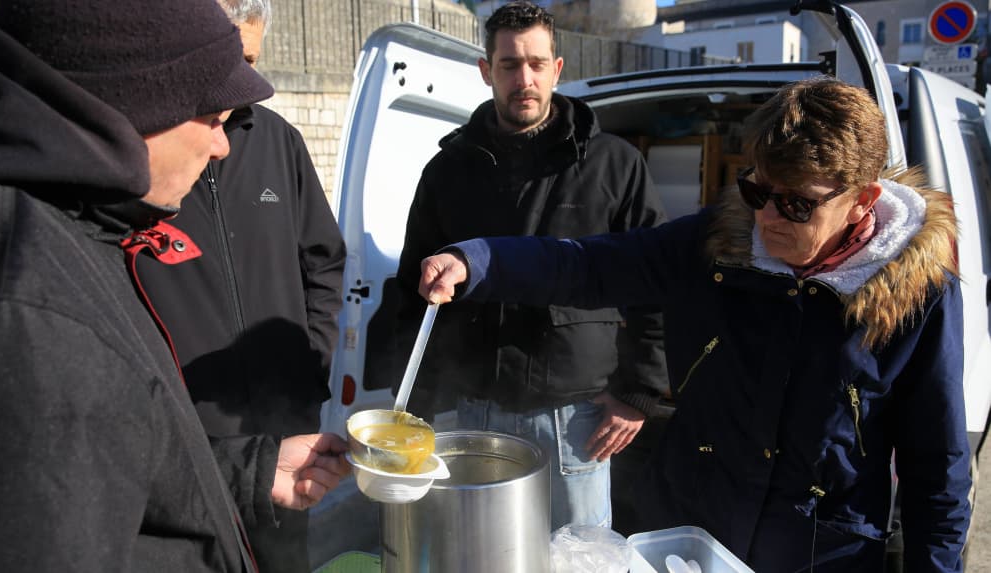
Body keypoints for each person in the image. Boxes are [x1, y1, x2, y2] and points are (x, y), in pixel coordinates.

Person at [415, 77, 971, 572]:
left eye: (797, 206)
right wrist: (478, 261)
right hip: (693, 533)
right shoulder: (714, 242)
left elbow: (936, 467)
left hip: (819, 550)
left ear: (862, 202)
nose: (768, 218)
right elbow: (590, 264)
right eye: (757, 192)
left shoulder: (917, 292)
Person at [0, 0, 349, 571]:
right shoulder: (30, 307)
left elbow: (118, 466)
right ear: (144, 97)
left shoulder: (83, 229)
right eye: (213, 117)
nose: (222, 144)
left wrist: (248, 470)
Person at [394, 0, 668, 531]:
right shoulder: (448, 171)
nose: (525, 78)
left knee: (581, 560)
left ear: (558, 69)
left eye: (538, 64)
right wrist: (415, 405)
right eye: (510, 65)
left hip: (576, 420)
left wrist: (639, 392)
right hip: (472, 411)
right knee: (478, 557)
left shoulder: (614, 165)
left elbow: (655, 280)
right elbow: (412, 289)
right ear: (485, 71)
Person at [135, 1, 346, 570]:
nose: (232, 89)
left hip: (285, 432)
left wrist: (310, 361)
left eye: (248, 62)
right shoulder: (145, 153)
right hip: (187, 444)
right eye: (220, 63)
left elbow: (323, 262)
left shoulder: (280, 141)